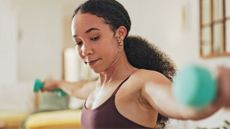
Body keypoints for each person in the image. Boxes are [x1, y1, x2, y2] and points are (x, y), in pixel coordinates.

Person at [42, 0, 230, 129]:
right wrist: (55, 84)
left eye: (94, 37)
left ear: (120, 34)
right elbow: (77, 88)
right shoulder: (97, 88)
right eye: (79, 42)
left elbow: (180, 106)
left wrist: (216, 96)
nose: (85, 50)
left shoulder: (142, 82)